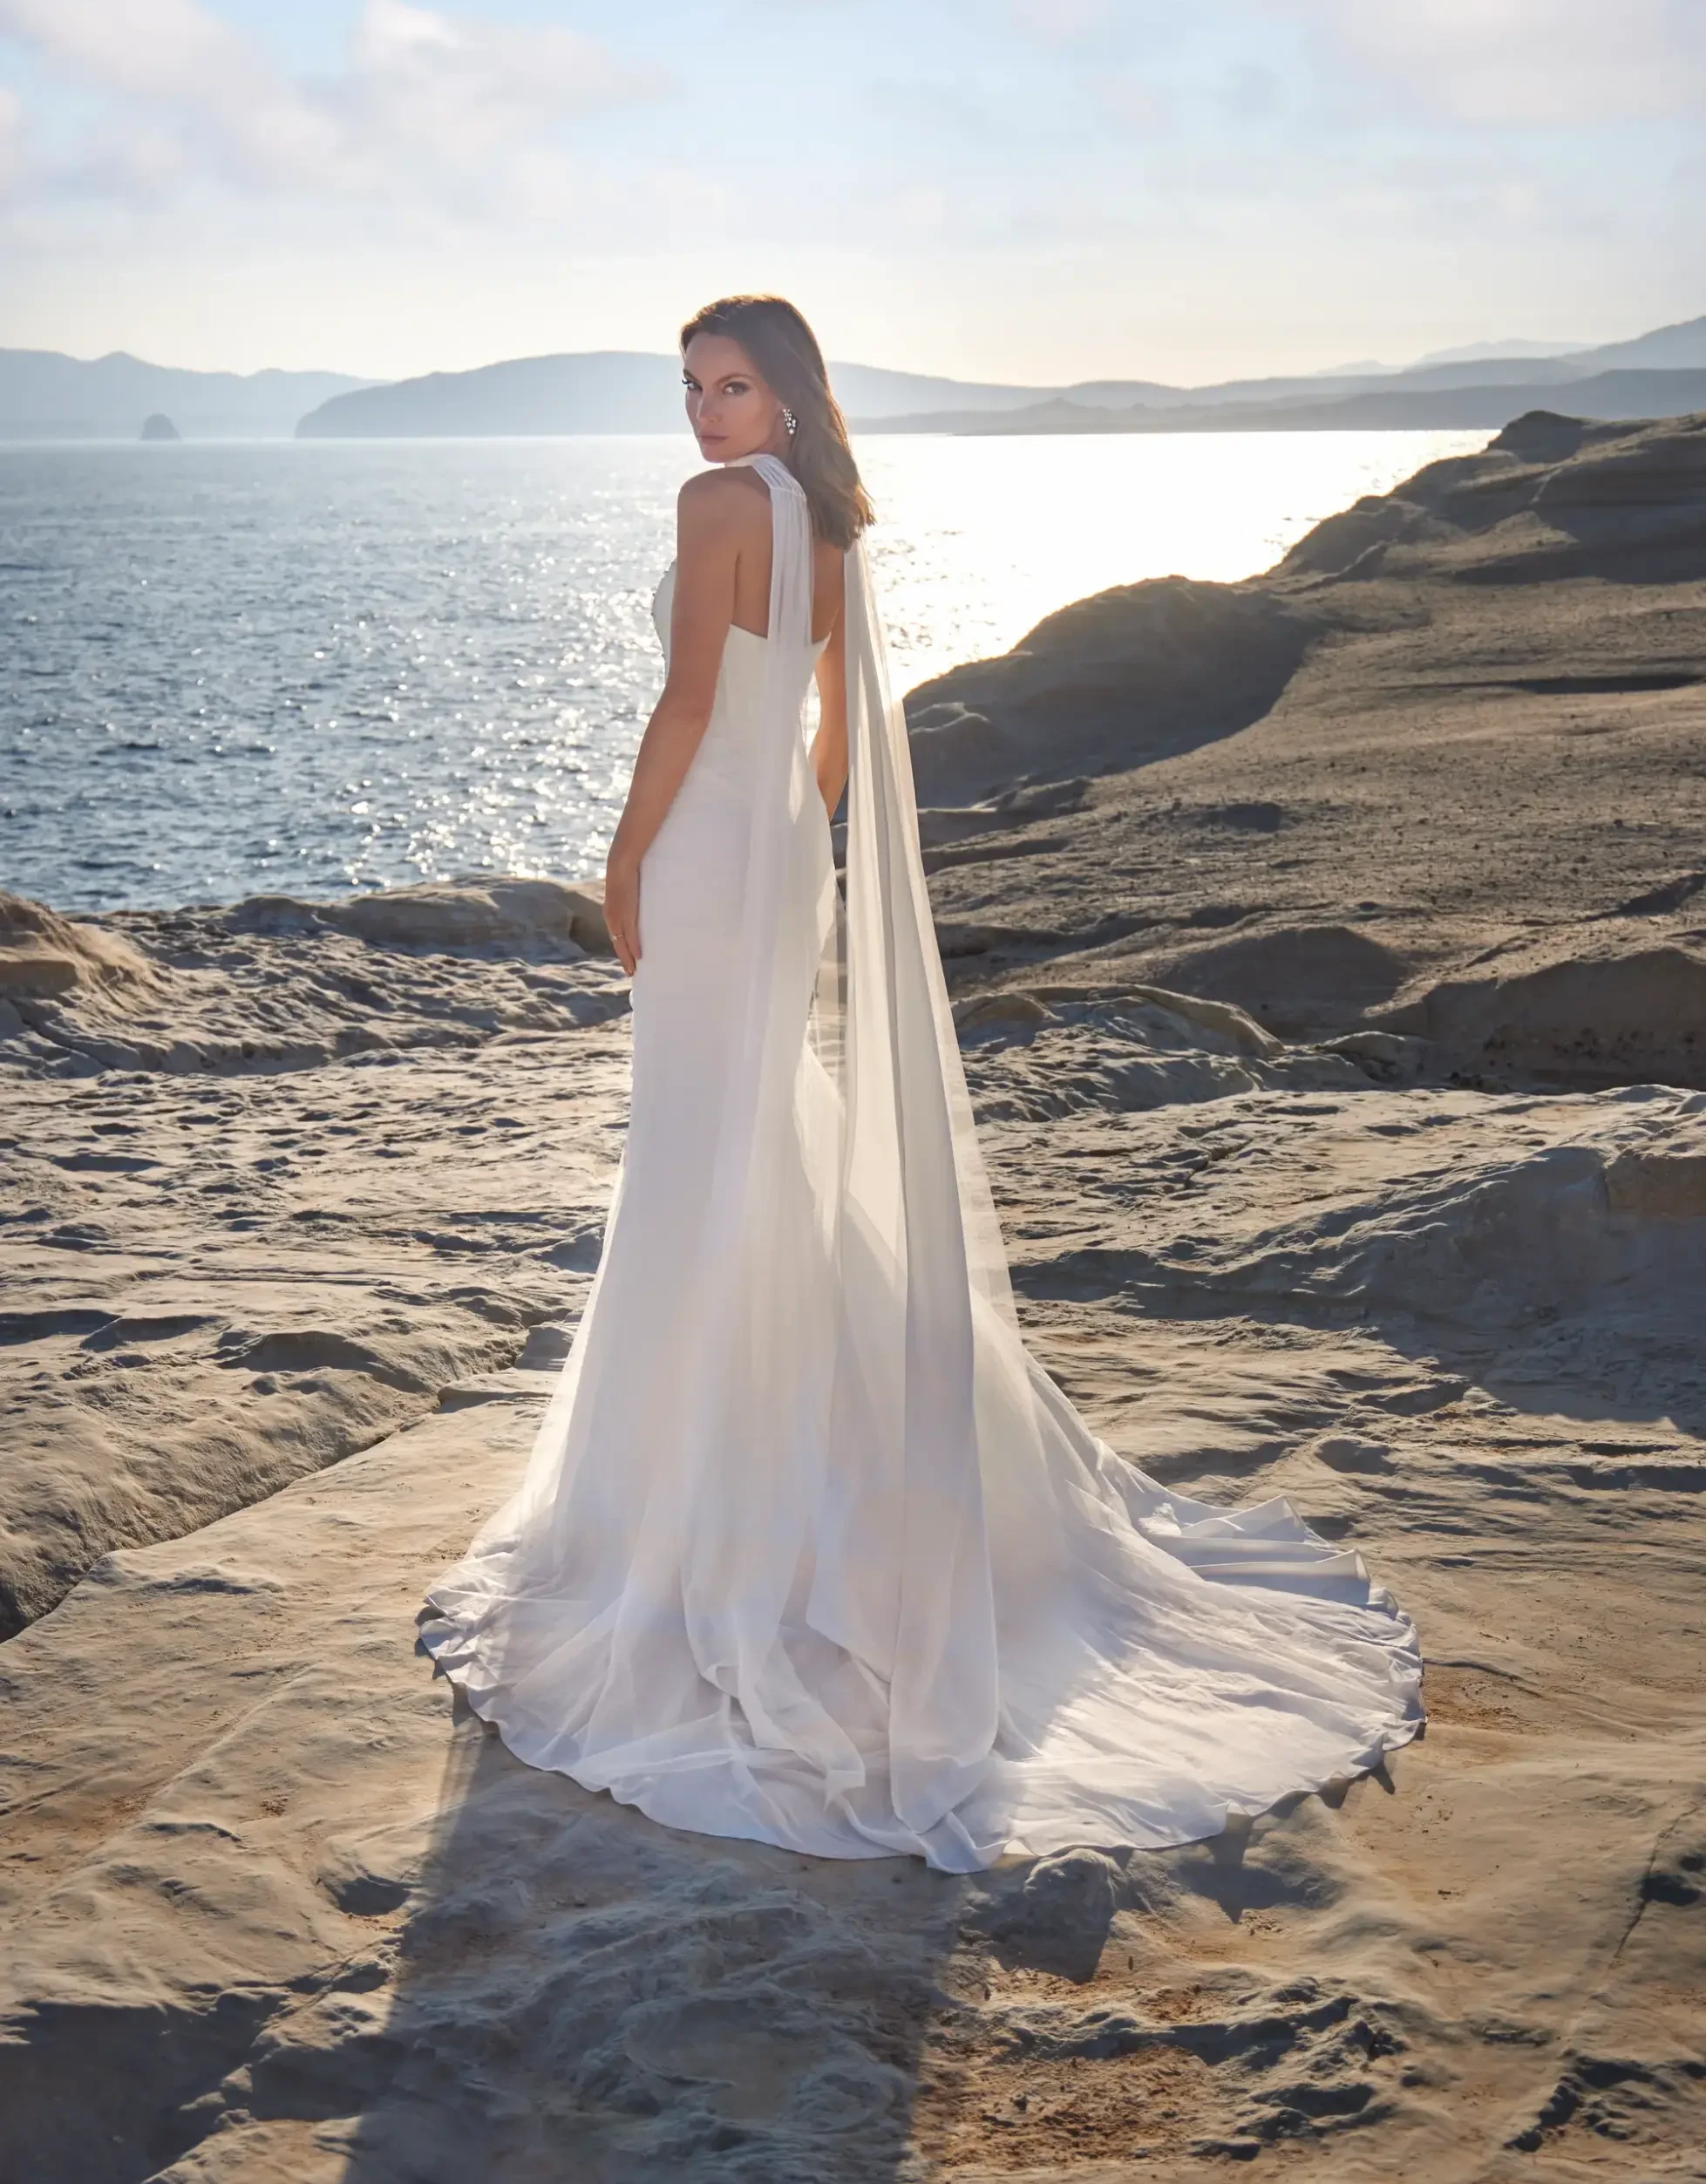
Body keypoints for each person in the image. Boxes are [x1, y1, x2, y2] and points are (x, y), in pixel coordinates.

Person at [420, 295, 1422, 1873]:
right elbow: (828, 732)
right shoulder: (823, 516)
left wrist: (624, 860)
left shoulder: (714, 507)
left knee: (703, 1151)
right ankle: (780, 1477)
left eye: (731, 386)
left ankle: (692, 1518)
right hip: (779, 862)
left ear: (791, 393)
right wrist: (792, 843)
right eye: (689, 389)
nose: (702, 413)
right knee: (753, 1143)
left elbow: (687, 706)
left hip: (703, 858)